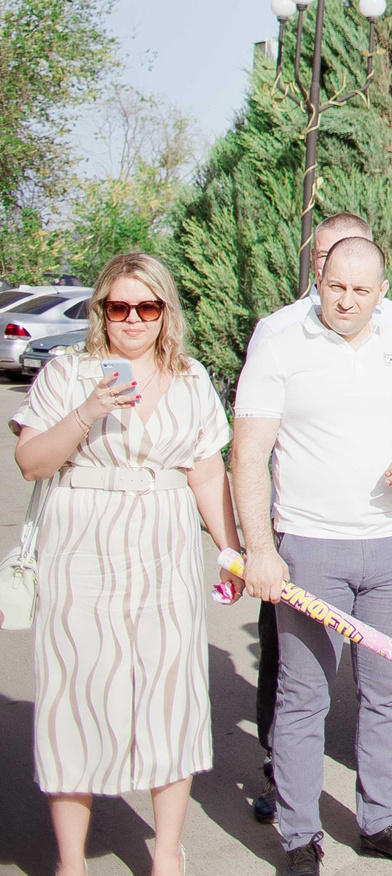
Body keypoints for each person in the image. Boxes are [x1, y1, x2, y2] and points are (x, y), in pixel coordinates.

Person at [232, 235, 392, 872]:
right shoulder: (278, 340)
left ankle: (379, 821)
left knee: (387, 693)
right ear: (318, 279)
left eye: (362, 290)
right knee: (305, 697)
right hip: (310, 550)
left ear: (381, 291)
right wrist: (259, 550)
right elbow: (247, 455)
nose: (348, 301)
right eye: (337, 287)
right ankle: (300, 837)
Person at [13, 253, 241, 876]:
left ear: (166, 311)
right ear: (101, 311)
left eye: (148, 306)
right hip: (80, 547)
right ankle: (71, 863)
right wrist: (87, 410)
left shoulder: (192, 378)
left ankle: (167, 851)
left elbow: (204, 470)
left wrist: (231, 550)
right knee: (74, 693)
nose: (133, 319)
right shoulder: (66, 372)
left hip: (165, 548)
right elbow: (32, 463)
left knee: (172, 694)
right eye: (119, 307)